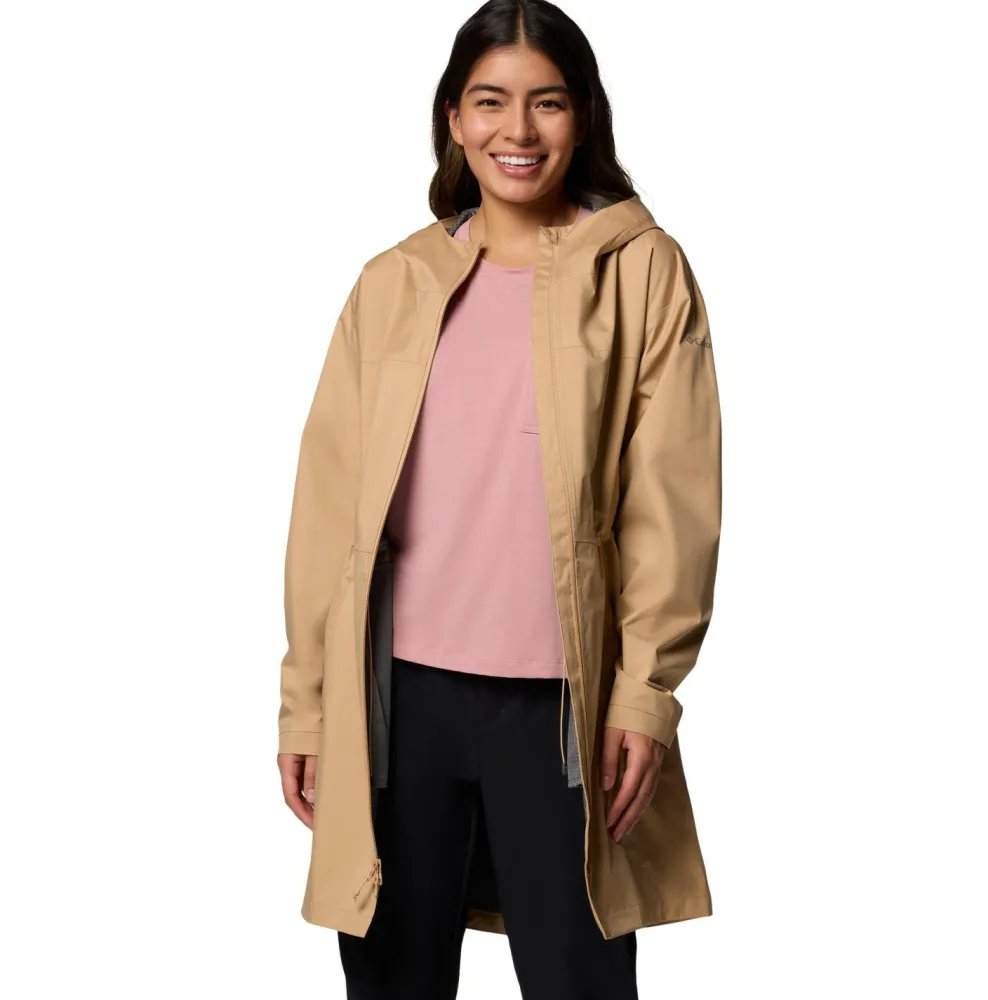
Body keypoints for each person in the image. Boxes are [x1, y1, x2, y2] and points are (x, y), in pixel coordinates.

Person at [275, 1, 722, 997]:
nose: (517, 130)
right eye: (489, 101)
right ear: (452, 117)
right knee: (392, 977)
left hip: (563, 707)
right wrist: (307, 707)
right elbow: (327, 513)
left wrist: (645, 695)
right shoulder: (394, 282)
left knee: (577, 977)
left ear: (583, 115)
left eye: (546, 103)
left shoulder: (641, 272)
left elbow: (673, 502)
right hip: (398, 700)